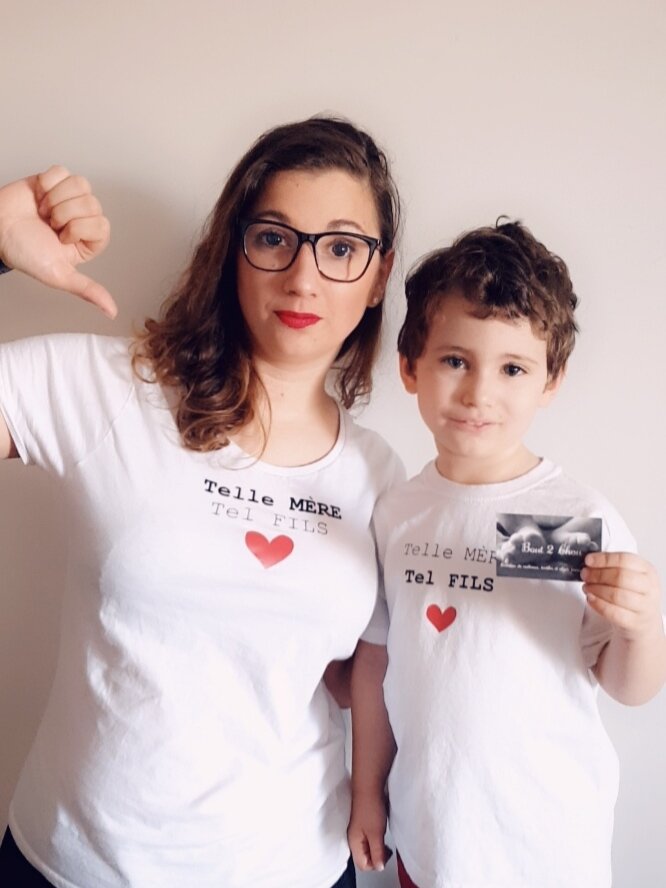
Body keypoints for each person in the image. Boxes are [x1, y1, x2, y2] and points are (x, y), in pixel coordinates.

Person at [0, 116, 404, 888]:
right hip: (71, 866)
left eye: (342, 247)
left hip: (294, 865)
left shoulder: (385, 479)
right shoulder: (108, 391)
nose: (304, 276)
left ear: (379, 275)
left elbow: (383, 674)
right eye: (274, 237)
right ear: (234, 251)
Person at [347, 220, 666, 888]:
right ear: (411, 367)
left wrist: (642, 625)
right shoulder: (397, 513)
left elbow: (628, 688)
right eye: (455, 360)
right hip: (428, 846)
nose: (478, 394)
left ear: (550, 381)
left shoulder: (575, 518)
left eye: (513, 368)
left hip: (546, 853)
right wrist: (367, 792)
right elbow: (374, 662)